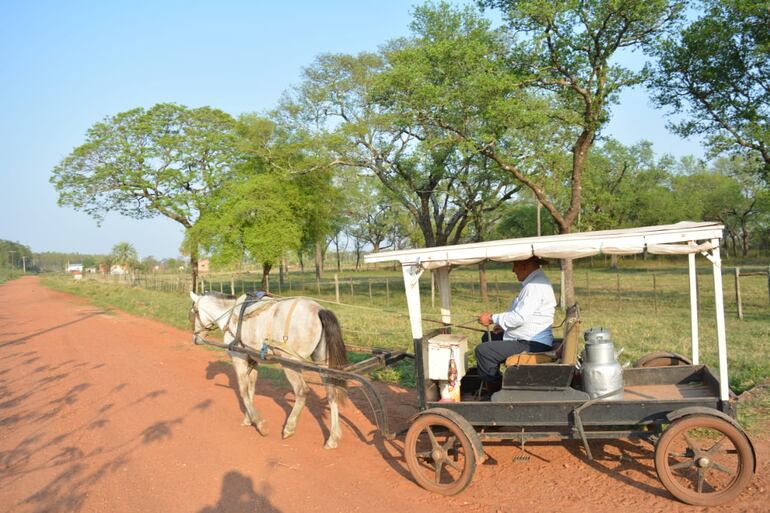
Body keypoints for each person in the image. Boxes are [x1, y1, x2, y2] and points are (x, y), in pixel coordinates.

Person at [475, 256, 556, 391]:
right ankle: (493, 377)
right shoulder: (536, 283)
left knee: (483, 351)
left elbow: (519, 317)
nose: (513, 270)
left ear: (524, 265)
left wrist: (491, 318)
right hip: (529, 338)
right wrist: (503, 326)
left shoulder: (534, 287)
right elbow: (525, 315)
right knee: (487, 337)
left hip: (531, 343)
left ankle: (496, 389)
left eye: (515, 265)